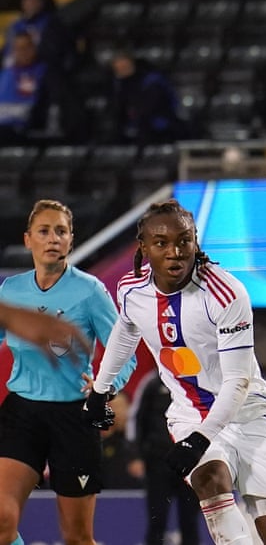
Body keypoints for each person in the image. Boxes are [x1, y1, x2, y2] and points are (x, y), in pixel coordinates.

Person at [86, 199, 266, 545]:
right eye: (161, 243)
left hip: (251, 415)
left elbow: (237, 382)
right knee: (209, 478)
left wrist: (198, 441)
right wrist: (100, 389)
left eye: (184, 241)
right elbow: (126, 329)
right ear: (143, 248)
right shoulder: (130, 290)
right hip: (190, 413)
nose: (175, 252)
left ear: (196, 242)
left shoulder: (226, 293)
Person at [0, 199, 137, 545]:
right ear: (28, 239)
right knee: (1, 521)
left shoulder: (90, 291)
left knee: (77, 537)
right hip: (22, 413)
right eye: (44, 231)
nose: (53, 238)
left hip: (74, 418)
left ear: (71, 240)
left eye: (61, 231)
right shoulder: (11, 291)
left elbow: (126, 353)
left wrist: (106, 387)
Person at [132, 374, 201, 545]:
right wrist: (137, 455)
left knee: (190, 520)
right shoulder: (152, 384)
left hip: (189, 462)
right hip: (158, 462)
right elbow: (138, 420)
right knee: (157, 518)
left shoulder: (196, 383)